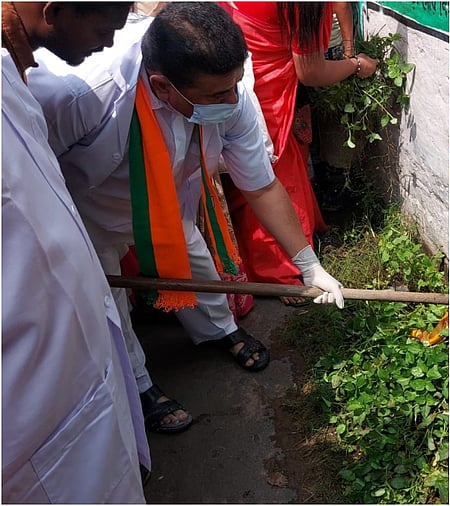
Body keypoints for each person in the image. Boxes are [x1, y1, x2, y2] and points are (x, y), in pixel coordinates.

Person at [28, 2, 346, 436]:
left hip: (168, 206)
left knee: (198, 266)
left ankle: (221, 330)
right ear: (162, 87)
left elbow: (262, 185)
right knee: (108, 307)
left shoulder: (230, 90)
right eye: (218, 96)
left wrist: (309, 264)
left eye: (236, 86)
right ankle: (140, 384)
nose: (232, 101)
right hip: (86, 215)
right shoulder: (80, 94)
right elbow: (35, 174)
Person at [2, 2, 150, 502]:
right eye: (100, 26)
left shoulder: (12, 70)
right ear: (56, 11)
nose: (108, 42)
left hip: (75, 356)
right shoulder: (73, 91)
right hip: (27, 400)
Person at [218, 2, 377, 307]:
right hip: (265, 88)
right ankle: (279, 273)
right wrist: (357, 65)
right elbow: (311, 71)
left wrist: (346, 46)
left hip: (244, 69)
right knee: (271, 176)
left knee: (270, 170)